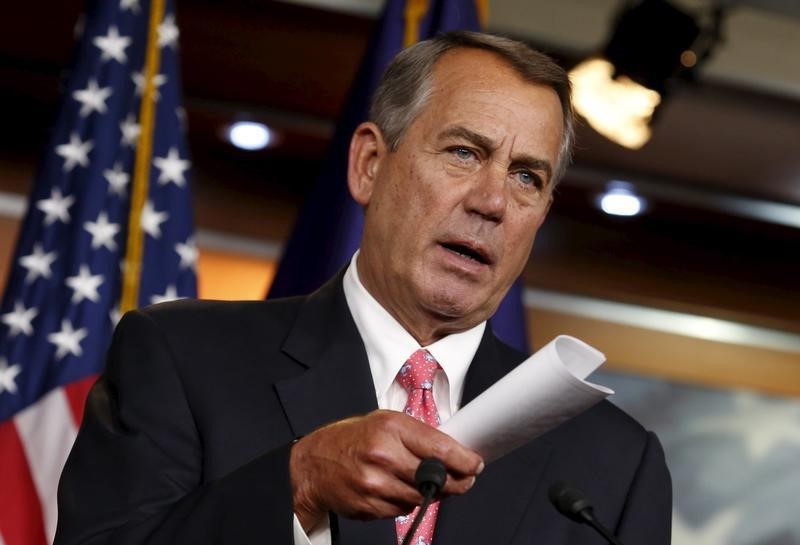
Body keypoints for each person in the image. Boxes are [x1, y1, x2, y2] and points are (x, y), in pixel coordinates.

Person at [56, 31, 671, 545]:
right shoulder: (182, 358)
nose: (492, 202)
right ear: (370, 164)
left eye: (526, 177)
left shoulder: (614, 461)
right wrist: (297, 485)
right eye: (462, 152)